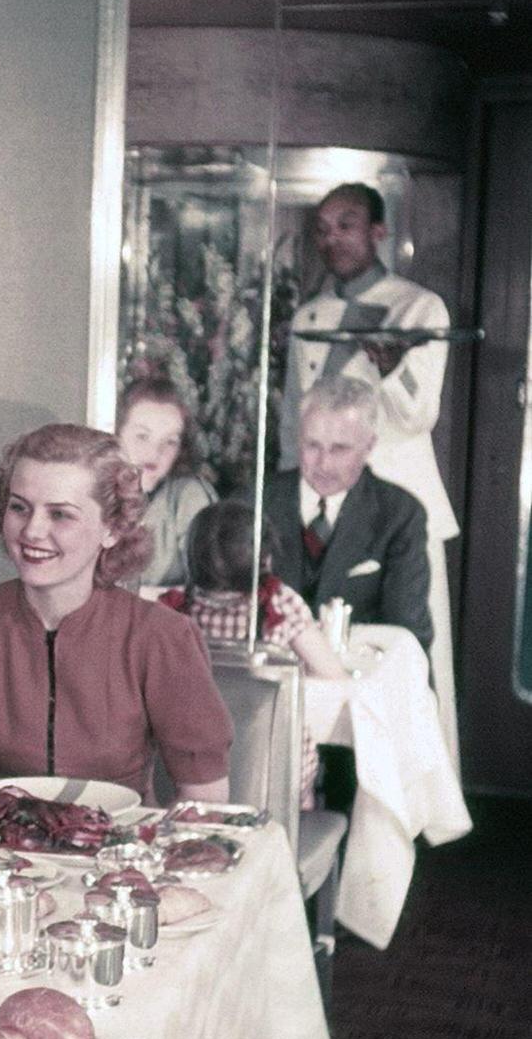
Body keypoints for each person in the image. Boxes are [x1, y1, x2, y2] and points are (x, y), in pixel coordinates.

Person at [0, 423, 232, 803]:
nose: (33, 530)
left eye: (60, 514)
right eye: (19, 507)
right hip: (0, 852)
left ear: (111, 528)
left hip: (123, 853)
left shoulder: (162, 638)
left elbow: (205, 804)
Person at [278, 181, 459, 759]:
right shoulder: (310, 312)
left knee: (405, 645)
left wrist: (389, 368)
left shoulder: (420, 307)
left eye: (347, 224)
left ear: (379, 231)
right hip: (319, 500)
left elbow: (418, 414)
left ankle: (415, 784)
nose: (332, 238)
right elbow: (291, 414)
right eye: (323, 229)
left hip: (391, 503)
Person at [160, 500, 348, 810]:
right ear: (265, 557)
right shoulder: (281, 604)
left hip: (189, 768)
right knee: (303, 780)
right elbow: (332, 673)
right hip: (272, 764)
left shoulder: (174, 610)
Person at [265, 380, 433, 656]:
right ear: (298, 438)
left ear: (369, 446)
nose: (324, 464)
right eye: (312, 446)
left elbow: (408, 636)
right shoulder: (254, 502)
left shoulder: (400, 515)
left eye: (340, 449)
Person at [115, 372, 216, 587]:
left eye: (170, 442)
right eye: (142, 436)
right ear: (116, 434)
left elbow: (210, 592)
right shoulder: (93, 491)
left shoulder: (188, 497)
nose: (155, 453)